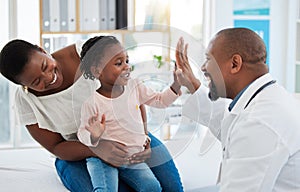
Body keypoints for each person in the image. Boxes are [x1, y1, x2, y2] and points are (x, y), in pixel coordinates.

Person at [0, 38, 184, 192]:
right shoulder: (26, 101)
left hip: (127, 135)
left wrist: (143, 135)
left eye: (44, 65)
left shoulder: (85, 53)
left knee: (170, 188)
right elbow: (56, 146)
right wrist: (97, 148)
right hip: (77, 154)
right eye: (36, 81)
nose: (49, 78)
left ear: (42, 50)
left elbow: (130, 92)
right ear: (24, 85)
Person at [175, 28, 300, 191]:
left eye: (208, 59)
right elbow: (227, 120)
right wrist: (192, 83)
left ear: (235, 64)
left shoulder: (259, 122)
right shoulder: (265, 99)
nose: (203, 67)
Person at [77, 35, 181, 191]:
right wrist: (94, 136)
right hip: (103, 160)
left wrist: (177, 84)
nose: (126, 67)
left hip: (132, 159)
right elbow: (82, 133)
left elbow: (160, 100)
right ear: (97, 71)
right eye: (118, 63)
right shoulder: (92, 103)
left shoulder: (135, 86)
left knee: (153, 188)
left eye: (127, 60)